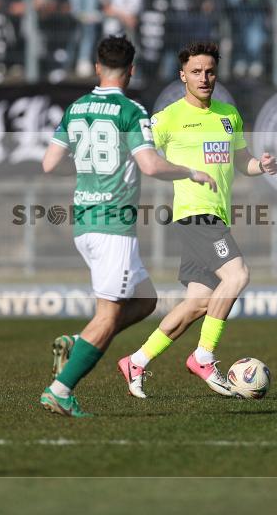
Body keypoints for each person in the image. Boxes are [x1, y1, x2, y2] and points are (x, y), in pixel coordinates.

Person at [39, 36, 218, 418]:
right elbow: (151, 165)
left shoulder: (76, 107)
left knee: (144, 301)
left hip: (85, 223)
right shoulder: (130, 111)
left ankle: (77, 343)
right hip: (112, 227)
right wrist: (191, 171)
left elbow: (49, 163)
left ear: (97, 68)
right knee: (107, 316)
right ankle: (61, 389)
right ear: (132, 70)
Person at [117, 41, 277, 399]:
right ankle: (203, 357)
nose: (204, 78)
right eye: (195, 72)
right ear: (183, 76)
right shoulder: (168, 118)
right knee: (238, 275)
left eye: (209, 72)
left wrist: (262, 166)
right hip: (195, 215)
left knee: (198, 303)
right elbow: (138, 155)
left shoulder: (228, 115)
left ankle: (136, 361)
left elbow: (242, 162)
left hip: (217, 216)